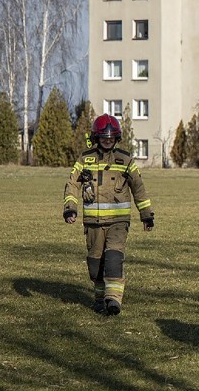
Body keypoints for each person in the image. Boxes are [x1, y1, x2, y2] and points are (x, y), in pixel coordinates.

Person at [63, 114, 154, 315]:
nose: (107, 140)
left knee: (113, 259)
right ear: (97, 137)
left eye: (111, 137)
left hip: (118, 223)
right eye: (104, 137)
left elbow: (139, 188)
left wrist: (146, 215)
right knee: (96, 265)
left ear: (117, 138)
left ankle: (113, 300)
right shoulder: (85, 160)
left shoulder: (126, 160)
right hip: (93, 223)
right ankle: (99, 298)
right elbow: (72, 185)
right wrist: (70, 208)